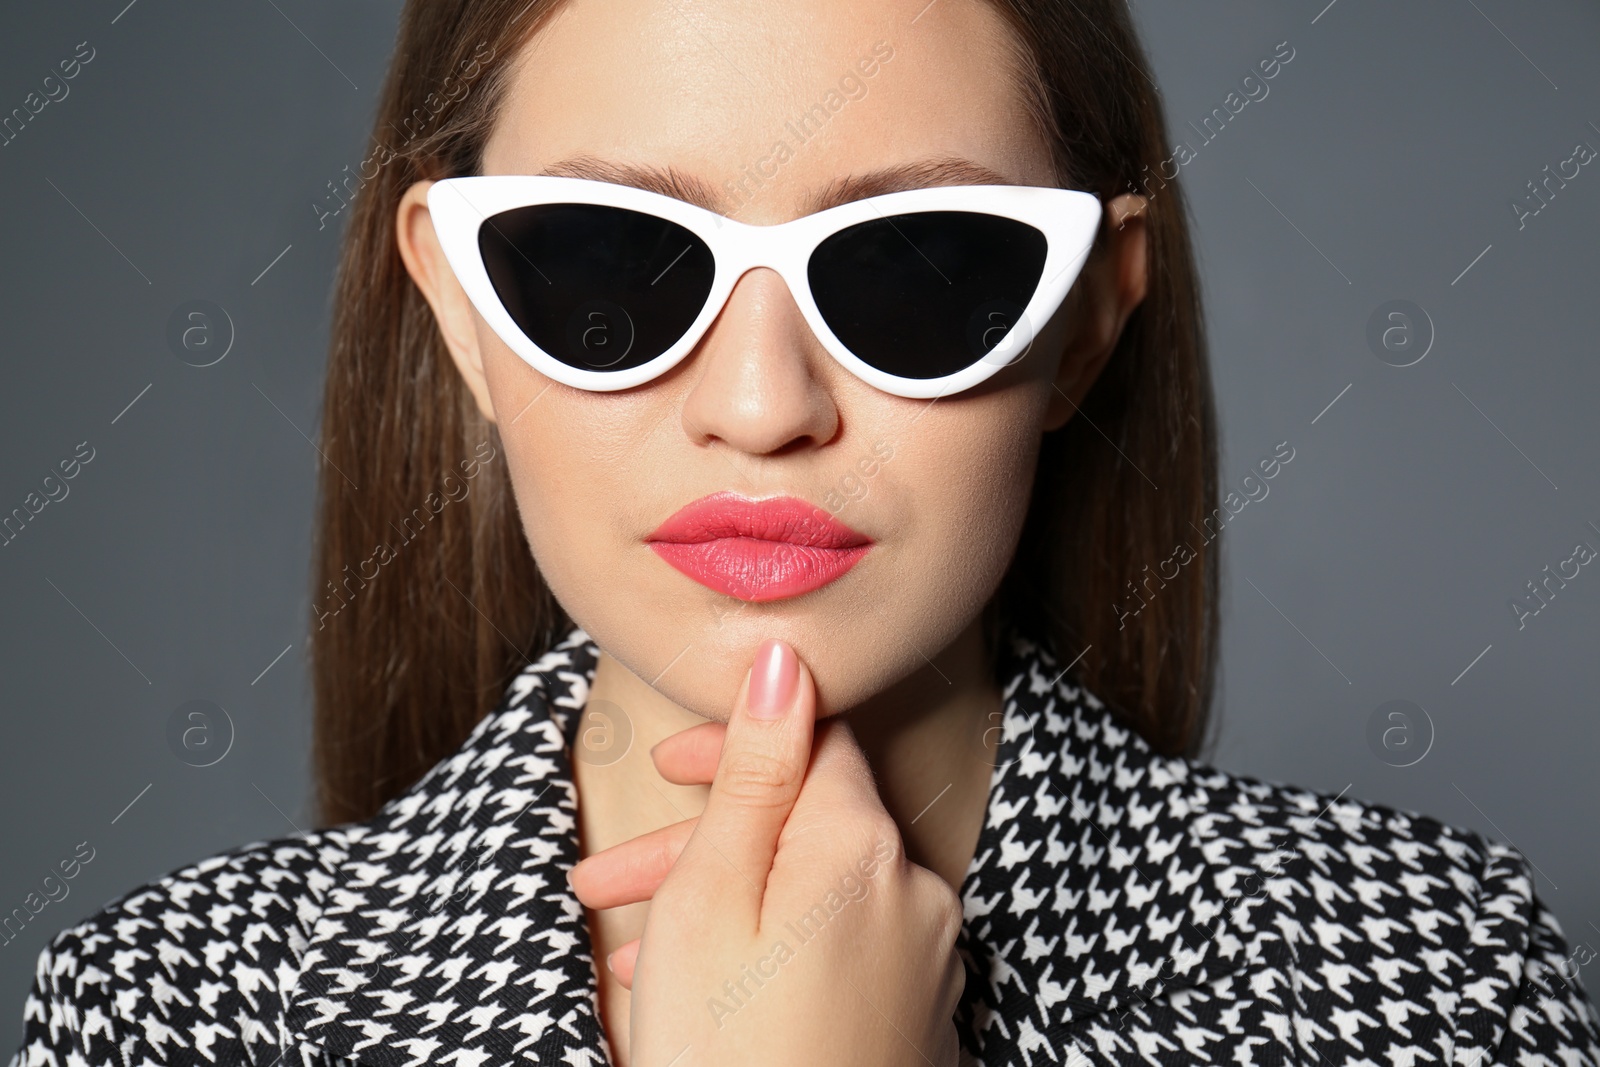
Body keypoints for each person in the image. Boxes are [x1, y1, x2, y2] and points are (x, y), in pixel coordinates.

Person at [11, 0, 1600, 1065]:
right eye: (606, 267)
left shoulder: (1413, 978)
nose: (765, 406)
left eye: (920, 268)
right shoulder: (179, 1012)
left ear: (1085, 326)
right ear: (462, 314)